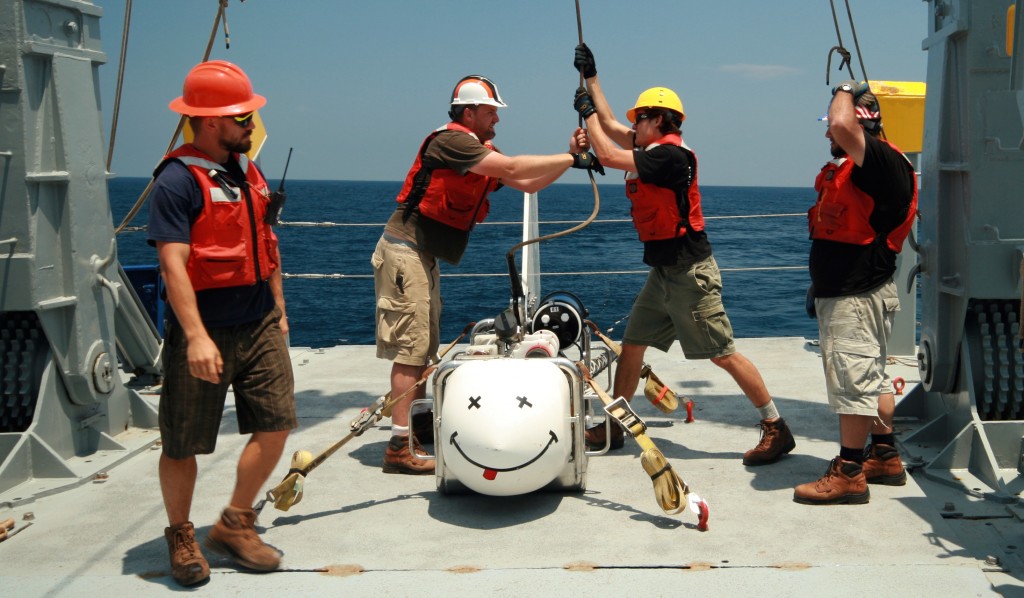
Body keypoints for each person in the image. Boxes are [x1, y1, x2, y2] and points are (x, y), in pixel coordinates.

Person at [571, 44, 795, 465]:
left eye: (640, 118)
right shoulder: (652, 149)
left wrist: (585, 114)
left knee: (722, 352)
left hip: (691, 274)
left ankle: (775, 427)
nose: (633, 124)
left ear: (657, 121)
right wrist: (593, 79)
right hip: (662, 274)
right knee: (632, 345)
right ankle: (618, 426)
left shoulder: (671, 157)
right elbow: (611, 127)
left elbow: (606, 150)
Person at [373, 74, 603, 475]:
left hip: (422, 256)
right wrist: (571, 159)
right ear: (469, 111)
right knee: (411, 351)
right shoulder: (452, 142)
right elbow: (514, 165)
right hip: (405, 251)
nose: (497, 119)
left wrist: (568, 157)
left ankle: (415, 427)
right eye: (491, 112)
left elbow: (526, 181)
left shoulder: (478, 150)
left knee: (423, 347)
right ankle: (398, 447)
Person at [148, 60, 296, 586]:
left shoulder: (246, 169)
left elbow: (267, 245)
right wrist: (195, 338)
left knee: (276, 424)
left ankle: (235, 521)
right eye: (241, 116)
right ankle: (182, 535)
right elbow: (172, 263)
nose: (250, 123)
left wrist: (278, 309)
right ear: (211, 122)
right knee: (182, 443)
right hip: (207, 326)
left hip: (258, 321)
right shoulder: (175, 180)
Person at [793, 81, 917, 505]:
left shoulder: (882, 163)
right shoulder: (863, 166)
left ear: (857, 121)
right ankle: (883, 456)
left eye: (830, 124)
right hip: (851, 291)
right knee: (872, 375)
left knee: (853, 382)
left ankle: (848, 473)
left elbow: (844, 124)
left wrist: (845, 88)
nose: (828, 132)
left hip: (857, 297)